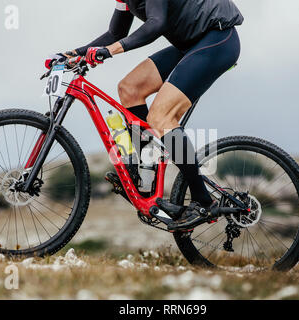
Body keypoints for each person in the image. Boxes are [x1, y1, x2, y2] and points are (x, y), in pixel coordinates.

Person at [46, 0, 243, 231]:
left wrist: (108, 51)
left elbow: (156, 24)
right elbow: (115, 32)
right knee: (130, 89)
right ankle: (146, 173)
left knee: (161, 118)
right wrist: (73, 54)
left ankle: (203, 201)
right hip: (189, 44)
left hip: (218, 40)